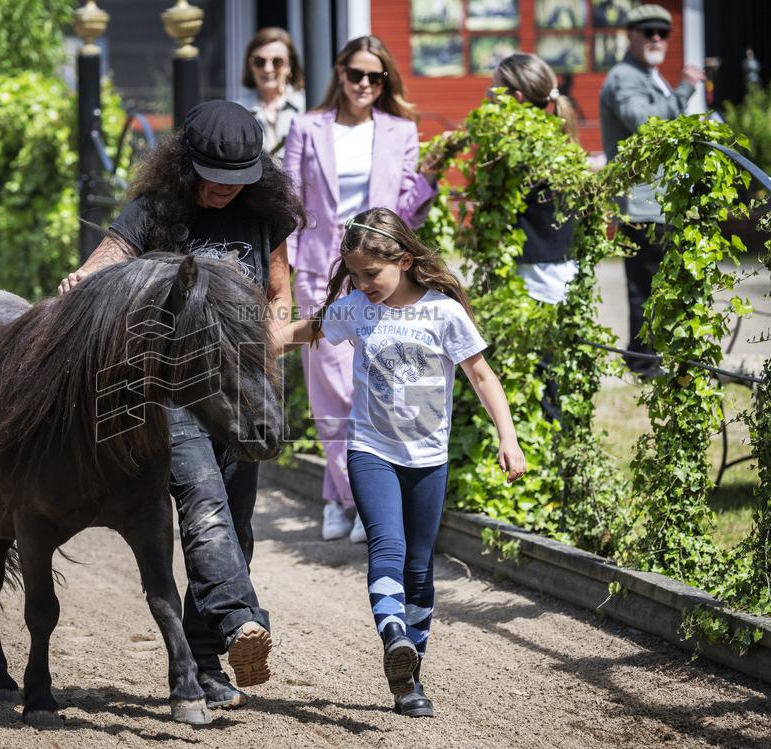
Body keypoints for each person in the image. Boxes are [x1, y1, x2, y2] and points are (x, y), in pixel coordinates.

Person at [59, 100, 305, 710]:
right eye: (215, 177)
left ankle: (205, 663)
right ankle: (241, 621)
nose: (226, 189)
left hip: (238, 388)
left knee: (238, 522)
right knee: (203, 500)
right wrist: (82, 278)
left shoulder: (261, 212)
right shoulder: (156, 208)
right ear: (185, 166)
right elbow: (113, 253)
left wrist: (266, 363)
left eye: (239, 179)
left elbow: (279, 288)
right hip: (170, 388)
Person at [272, 207, 526, 717]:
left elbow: (481, 376)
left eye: (373, 274)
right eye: (356, 274)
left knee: (419, 567)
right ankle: (394, 637)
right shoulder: (356, 310)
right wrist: (243, 337)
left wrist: (509, 437)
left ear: (405, 260)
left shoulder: (443, 314)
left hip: (428, 460)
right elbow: (303, 332)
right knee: (386, 546)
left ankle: (409, 680)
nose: (363, 283)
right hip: (371, 451)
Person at [282, 35, 442, 543]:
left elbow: (405, 212)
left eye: (377, 77)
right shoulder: (308, 126)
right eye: (357, 75)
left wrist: (431, 182)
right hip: (316, 268)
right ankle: (352, 499)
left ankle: (338, 497)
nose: (366, 86)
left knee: (373, 386)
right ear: (340, 72)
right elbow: (287, 204)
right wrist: (279, 277)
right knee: (331, 391)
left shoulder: (401, 131)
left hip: (379, 274)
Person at [599, 4, 705, 377]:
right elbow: (646, 123)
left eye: (663, 32)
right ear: (630, 35)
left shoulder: (646, 74)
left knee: (657, 285)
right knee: (646, 287)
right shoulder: (626, 77)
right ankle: (644, 362)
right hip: (642, 203)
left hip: (657, 202)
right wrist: (686, 89)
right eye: (648, 31)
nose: (657, 38)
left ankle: (650, 357)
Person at [491, 52, 582, 423]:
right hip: (558, 272)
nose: (487, 97)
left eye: (492, 90)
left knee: (542, 381)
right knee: (553, 378)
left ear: (513, 99)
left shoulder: (522, 150)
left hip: (537, 277)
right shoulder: (556, 142)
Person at [236, 27, 305, 158]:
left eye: (277, 61)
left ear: (289, 65)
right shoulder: (238, 111)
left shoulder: (308, 106)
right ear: (250, 66)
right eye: (259, 62)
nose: (268, 69)